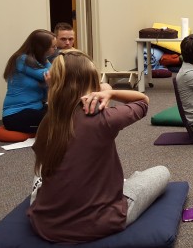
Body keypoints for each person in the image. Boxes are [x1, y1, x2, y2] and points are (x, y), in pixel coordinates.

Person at [27, 49, 170, 243]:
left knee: (40, 173)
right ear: (91, 83)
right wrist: (110, 92)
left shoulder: (47, 121)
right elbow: (143, 101)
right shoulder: (104, 118)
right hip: (101, 222)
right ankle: (125, 184)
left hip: (45, 224)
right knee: (162, 172)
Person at [2, 29, 56, 133]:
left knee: (65, 112)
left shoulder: (42, 60)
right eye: (53, 47)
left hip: (37, 108)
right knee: (57, 120)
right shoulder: (21, 59)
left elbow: (54, 74)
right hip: (16, 114)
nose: (55, 49)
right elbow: (52, 74)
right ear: (41, 48)